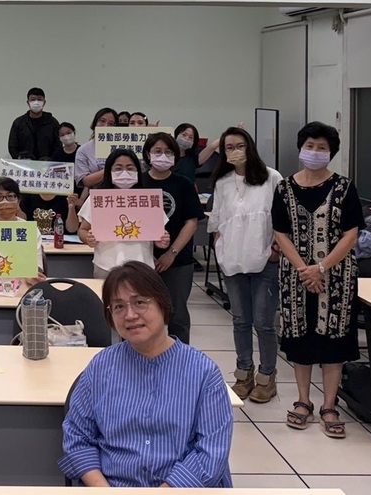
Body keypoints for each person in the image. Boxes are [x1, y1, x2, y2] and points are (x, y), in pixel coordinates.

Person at [59, 261, 233, 487]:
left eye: (140, 302)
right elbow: (77, 437)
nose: (130, 315)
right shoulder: (101, 366)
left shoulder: (203, 372)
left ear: (162, 304)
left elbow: (211, 451)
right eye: (119, 307)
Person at [273, 122, 363, 438]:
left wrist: (321, 268)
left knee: (333, 342)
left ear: (331, 153)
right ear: (301, 149)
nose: (314, 152)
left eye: (322, 147)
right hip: (296, 277)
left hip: (336, 277)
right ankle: (302, 401)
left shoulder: (345, 187)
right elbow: (280, 232)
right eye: (309, 146)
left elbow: (351, 233)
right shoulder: (284, 188)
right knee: (300, 338)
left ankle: (329, 405)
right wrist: (305, 270)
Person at [207, 126, 283, 404]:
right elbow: (216, 219)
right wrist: (220, 247)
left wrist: (276, 250)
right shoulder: (223, 182)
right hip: (233, 260)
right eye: (229, 147)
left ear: (250, 147)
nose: (235, 151)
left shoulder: (272, 177)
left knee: (264, 323)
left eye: (240, 146)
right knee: (240, 321)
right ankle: (243, 374)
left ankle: (267, 377)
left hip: (265, 261)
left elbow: (282, 218)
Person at [142, 133, 203, 345]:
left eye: (168, 152)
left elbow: (192, 222)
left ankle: (180, 359)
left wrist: (171, 253)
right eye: (157, 151)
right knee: (144, 313)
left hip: (178, 260)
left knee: (177, 316)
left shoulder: (183, 184)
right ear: (148, 154)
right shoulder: (138, 183)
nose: (163, 156)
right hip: (143, 260)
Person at [78, 149, 171, 279]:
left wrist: (162, 240)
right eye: (118, 168)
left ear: (138, 171)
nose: (124, 172)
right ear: (109, 171)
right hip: (106, 267)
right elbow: (82, 230)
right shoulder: (98, 199)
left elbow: (158, 234)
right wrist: (89, 239)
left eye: (130, 168)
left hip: (143, 267)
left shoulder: (148, 199)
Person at [0, 177, 45, 280]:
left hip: (21, 283)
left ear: (18, 200)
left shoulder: (30, 230)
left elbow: (36, 267)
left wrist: (33, 276)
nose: (5, 202)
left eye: (10, 196)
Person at [8, 87, 60, 160]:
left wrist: (51, 160)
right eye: (32, 99)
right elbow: (12, 146)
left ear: (44, 102)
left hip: (47, 164)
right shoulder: (19, 123)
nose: (36, 102)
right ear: (28, 102)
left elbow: (58, 146)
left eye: (39, 99)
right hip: (24, 164)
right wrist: (20, 158)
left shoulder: (52, 122)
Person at [75, 108, 118, 191]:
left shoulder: (122, 146)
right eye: (102, 121)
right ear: (95, 123)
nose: (106, 126)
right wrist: (112, 169)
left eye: (111, 124)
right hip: (95, 195)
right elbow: (85, 181)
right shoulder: (83, 150)